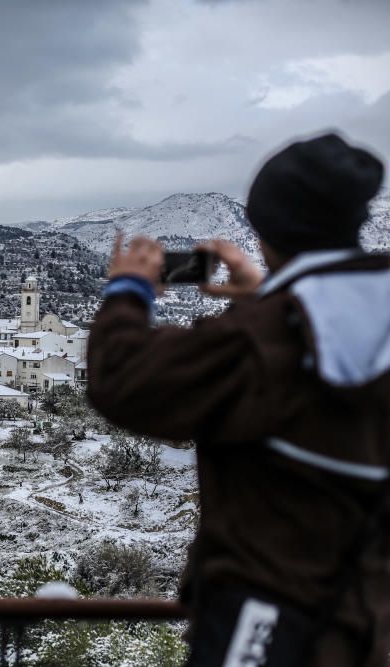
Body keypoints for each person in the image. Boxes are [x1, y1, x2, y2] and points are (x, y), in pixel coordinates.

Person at [86, 133, 390, 666]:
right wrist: (265, 296)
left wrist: (129, 290)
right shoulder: (352, 309)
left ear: (262, 226)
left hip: (269, 618)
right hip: (370, 617)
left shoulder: (267, 335)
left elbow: (123, 381)